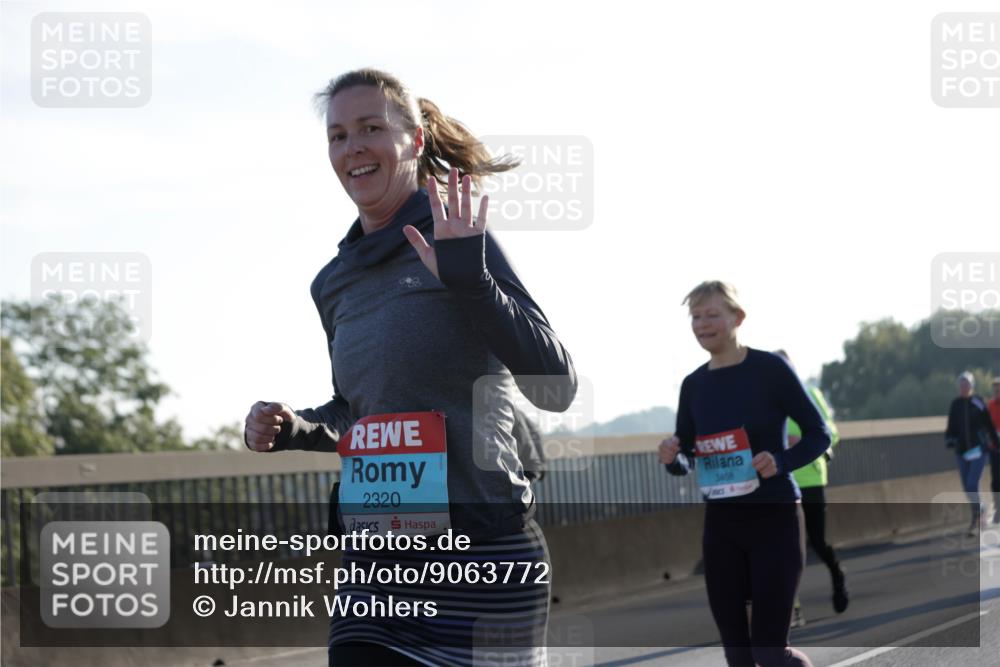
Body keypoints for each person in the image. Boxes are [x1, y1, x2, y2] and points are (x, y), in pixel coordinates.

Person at [243, 68, 576, 667]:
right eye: (338, 135)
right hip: (378, 564)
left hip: (482, 556)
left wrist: (472, 284)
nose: (353, 148)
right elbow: (359, 411)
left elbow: (556, 386)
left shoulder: (456, 237)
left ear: (415, 141)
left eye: (371, 128)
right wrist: (293, 428)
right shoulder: (333, 282)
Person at [659, 281, 830, 667]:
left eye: (712, 314)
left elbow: (819, 434)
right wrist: (672, 457)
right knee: (737, 656)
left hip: (775, 519)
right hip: (721, 527)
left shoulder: (770, 369)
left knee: (770, 654)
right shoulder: (694, 385)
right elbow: (687, 454)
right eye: (696, 317)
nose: (703, 324)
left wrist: (781, 460)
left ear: (738, 317)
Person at [774, 350, 848, 628]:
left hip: (812, 479)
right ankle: (792, 609)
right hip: (782, 482)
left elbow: (832, 434)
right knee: (786, 549)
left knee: (817, 542)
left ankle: (837, 574)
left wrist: (802, 439)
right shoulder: (768, 398)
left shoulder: (810, 395)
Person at [946, 372, 1000, 535]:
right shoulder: (955, 404)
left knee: (972, 484)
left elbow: (988, 425)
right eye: (961, 385)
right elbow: (951, 426)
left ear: (972, 386)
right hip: (961, 451)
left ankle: (977, 516)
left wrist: (995, 443)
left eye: (967, 384)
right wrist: (950, 439)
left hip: (978, 450)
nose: (964, 387)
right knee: (967, 488)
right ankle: (980, 511)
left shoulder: (978, 402)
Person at [512, 405, 547, 482]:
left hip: (527, 466)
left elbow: (524, 440)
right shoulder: (519, 414)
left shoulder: (511, 413)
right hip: (532, 466)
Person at [988, 378, 1000, 524]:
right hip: (994, 447)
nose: (997, 392)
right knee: (996, 480)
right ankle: (998, 507)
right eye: (995, 390)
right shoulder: (989, 406)